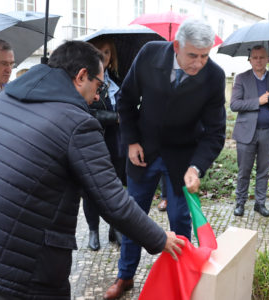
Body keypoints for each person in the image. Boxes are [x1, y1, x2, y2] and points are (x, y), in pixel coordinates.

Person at [0, 41, 184, 300]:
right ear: (81, 76)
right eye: (99, 86)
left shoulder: (5, 100)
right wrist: (160, 238)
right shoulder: (78, 123)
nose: (97, 96)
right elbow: (113, 201)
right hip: (22, 261)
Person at [104, 18, 226, 300]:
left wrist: (196, 167)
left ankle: (179, 280)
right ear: (176, 47)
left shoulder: (214, 76)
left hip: (182, 158)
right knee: (133, 218)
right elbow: (125, 99)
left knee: (180, 222)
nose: (198, 63)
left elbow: (215, 132)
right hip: (143, 152)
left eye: (205, 56)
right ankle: (125, 276)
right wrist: (131, 140)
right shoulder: (149, 54)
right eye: (192, 56)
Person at [231, 45, 269, 218]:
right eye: (255, 57)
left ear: (267, 59)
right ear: (250, 59)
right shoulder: (241, 78)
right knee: (244, 171)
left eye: (262, 57)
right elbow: (235, 104)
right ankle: (240, 203)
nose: (258, 60)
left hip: (268, 132)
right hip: (246, 132)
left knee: (263, 170)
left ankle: (260, 203)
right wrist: (258, 101)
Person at [84, 36, 125, 251]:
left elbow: (123, 106)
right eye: (99, 51)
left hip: (115, 142)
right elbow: (88, 112)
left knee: (115, 187)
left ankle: (114, 227)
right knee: (91, 189)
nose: (103, 56)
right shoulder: (86, 80)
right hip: (94, 142)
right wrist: (115, 117)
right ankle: (93, 229)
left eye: (107, 52)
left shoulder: (117, 78)